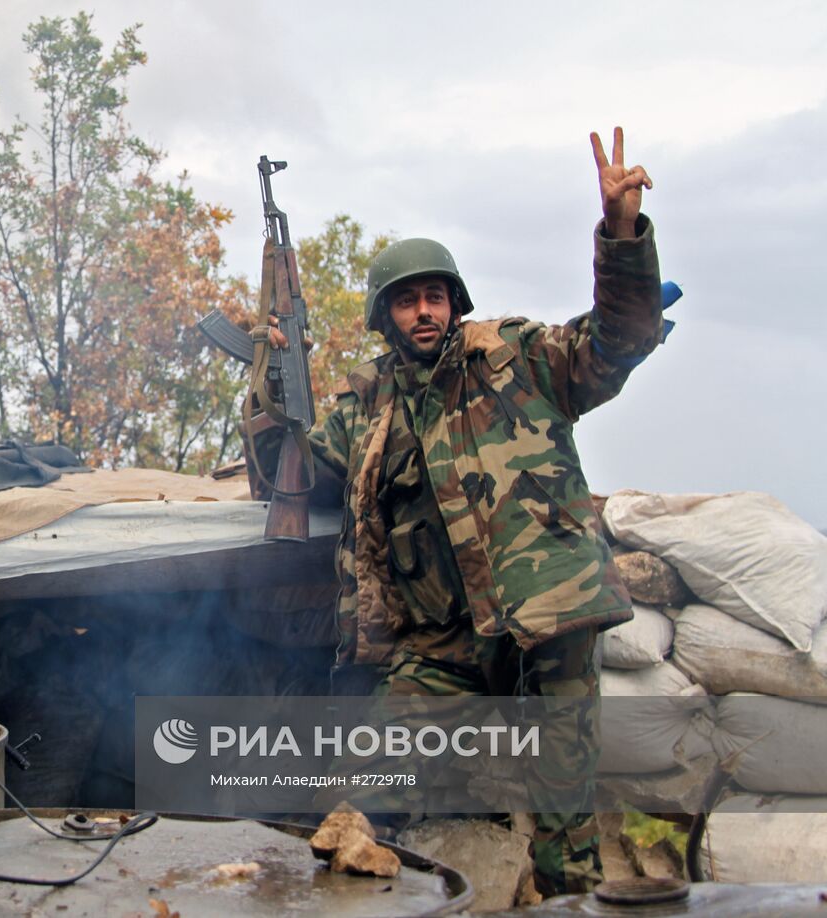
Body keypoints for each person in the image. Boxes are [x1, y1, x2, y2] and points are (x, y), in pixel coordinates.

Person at [255, 127, 661, 895]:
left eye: (435, 296)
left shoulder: (520, 359)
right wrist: (271, 381)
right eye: (406, 301)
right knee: (361, 789)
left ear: (454, 303)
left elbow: (621, 340)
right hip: (443, 645)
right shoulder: (366, 408)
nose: (424, 311)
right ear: (385, 319)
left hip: (550, 617)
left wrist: (621, 234)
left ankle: (569, 902)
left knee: (566, 821)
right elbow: (288, 469)